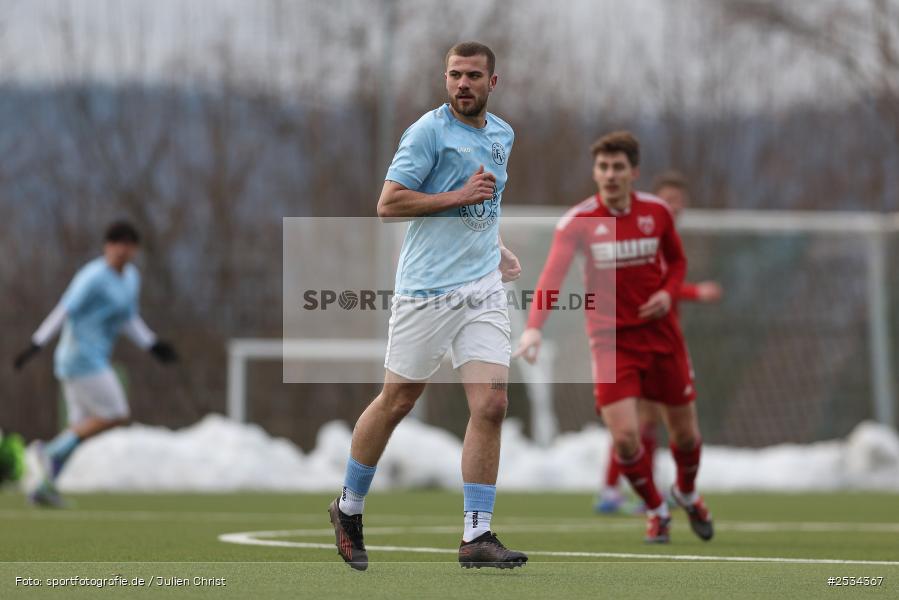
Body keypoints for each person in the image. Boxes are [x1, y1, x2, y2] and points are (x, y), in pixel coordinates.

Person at [327, 41, 527, 571]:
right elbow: (388, 204)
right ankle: (348, 507)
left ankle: (476, 534)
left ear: (493, 81)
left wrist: (497, 246)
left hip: (481, 287)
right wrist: (455, 198)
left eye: (474, 76)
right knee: (397, 401)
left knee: (491, 405)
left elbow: (487, 202)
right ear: (445, 79)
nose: (463, 84)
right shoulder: (427, 132)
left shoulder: (503, 134)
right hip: (426, 290)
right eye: (455, 75)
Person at [514, 132, 713, 543]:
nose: (609, 174)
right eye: (602, 167)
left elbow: (677, 261)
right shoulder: (578, 222)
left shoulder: (656, 212)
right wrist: (534, 327)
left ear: (633, 173)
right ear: (595, 172)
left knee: (686, 435)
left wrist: (667, 292)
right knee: (625, 438)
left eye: (618, 167)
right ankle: (657, 510)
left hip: (663, 338)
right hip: (611, 342)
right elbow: (551, 276)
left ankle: (688, 494)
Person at [13, 221, 178, 507]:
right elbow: (64, 309)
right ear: (107, 246)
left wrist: (152, 344)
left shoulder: (131, 279)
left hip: (92, 358)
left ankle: (44, 488)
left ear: (135, 249)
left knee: (78, 429)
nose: (121, 249)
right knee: (116, 413)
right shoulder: (92, 276)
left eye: (127, 243)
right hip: (80, 358)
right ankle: (49, 452)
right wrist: (37, 342)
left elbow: (128, 317)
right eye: (116, 243)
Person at [596, 170, 722, 514]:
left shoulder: (668, 237)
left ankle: (627, 491)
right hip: (636, 340)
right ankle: (622, 491)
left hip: (665, 342)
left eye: (679, 200)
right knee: (637, 422)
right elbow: (657, 286)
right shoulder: (644, 236)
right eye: (668, 199)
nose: (674, 205)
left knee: (647, 422)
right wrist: (696, 291)